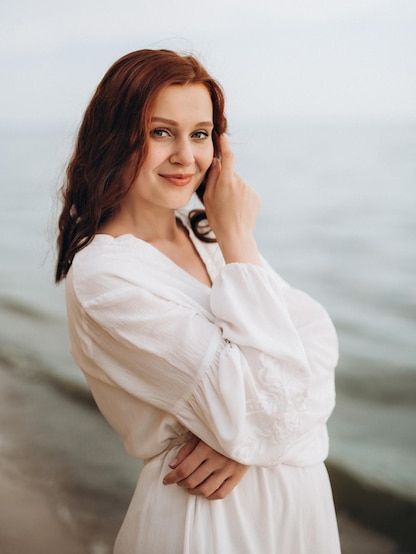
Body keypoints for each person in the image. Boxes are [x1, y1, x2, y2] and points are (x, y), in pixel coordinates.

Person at [56, 49, 341, 553]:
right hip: (210, 519)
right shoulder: (105, 276)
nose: (186, 156)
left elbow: (317, 340)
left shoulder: (206, 239)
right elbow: (259, 408)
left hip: (298, 510)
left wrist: (250, 441)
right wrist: (237, 235)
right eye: (160, 132)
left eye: (201, 134)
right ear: (115, 137)